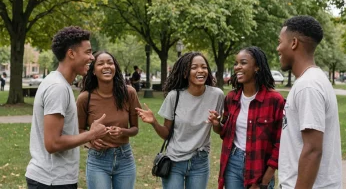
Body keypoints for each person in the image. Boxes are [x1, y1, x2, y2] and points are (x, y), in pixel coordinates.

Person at [25, 26, 108, 188]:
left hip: (53, 179)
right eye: (88, 52)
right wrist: (91, 134)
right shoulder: (58, 87)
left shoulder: (59, 83)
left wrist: (86, 138)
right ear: (71, 54)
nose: (92, 57)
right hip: (51, 181)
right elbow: (53, 144)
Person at [136, 52, 224, 189]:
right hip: (174, 161)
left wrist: (217, 123)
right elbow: (166, 133)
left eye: (204, 67)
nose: (200, 70)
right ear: (185, 73)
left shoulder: (217, 95)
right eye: (194, 67)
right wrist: (154, 122)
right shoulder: (174, 96)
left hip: (200, 161)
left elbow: (218, 130)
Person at [277, 15, 342, 188]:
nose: (278, 48)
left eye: (280, 42)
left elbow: (313, 150)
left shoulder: (308, 85)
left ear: (293, 43)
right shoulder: (310, 81)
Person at [208, 46, 285, 189]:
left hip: (259, 167)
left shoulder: (275, 100)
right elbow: (225, 133)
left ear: (257, 67)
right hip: (233, 162)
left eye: (243, 63)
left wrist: (265, 180)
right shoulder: (232, 98)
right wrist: (216, 124)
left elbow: (281, 143)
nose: (237, 67)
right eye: (236, 63)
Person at [76, 51, 141, 189]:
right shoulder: (84, 98)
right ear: (93, 71)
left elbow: (135, 129)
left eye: (110, 63)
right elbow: (78, 129)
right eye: (100, 63)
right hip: (98, 160)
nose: (106, 66)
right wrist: (90, 140)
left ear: (115, 68)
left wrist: (122, 131)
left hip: (125, 158)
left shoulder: (129, 93)